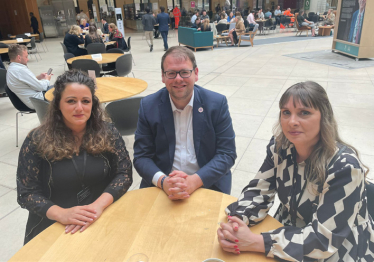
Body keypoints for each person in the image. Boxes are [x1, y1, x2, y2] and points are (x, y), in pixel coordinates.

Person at [217, 81, 374, 261]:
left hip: (339, 249)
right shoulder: (281, 147)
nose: (292, 122)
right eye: (286, 113)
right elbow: (259, 190)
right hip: (288, 233)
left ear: (324, 116)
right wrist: (237, 223)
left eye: (304, 113)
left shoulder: (344, 167)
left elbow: (323, 241)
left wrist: (254, 241)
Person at [17, 70, 133, 244]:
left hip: (101, 215)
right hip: (54, 223)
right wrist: (62, 213)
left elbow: (124, 174)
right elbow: (27, 193)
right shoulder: (36, 140)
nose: (80, 108)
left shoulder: (107, 132)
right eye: (71, 101)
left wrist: (98, 206)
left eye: (85, 101)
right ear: (58, 105)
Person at [133, 46, 236, 200]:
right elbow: (141, 157)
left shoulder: (216, 104)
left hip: (207, 182)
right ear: (163, 76)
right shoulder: (148, 106)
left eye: (184, 72)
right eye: (171, 73)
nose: (178, 79)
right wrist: (164, 181)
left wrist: (193, 181)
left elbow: (227, 154)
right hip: (163, 185)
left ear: (196, 73)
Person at [6, 44, 51, 109]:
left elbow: (24, 83)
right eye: (26, 57)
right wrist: (47, 79)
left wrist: (39, 77)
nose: (28, 60)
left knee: (60, 88)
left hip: (31, 99)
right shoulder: (20, 70)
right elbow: (42, 87)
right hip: (37, 101)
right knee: (63, 91)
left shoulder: (11, 68)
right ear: (19, 57)